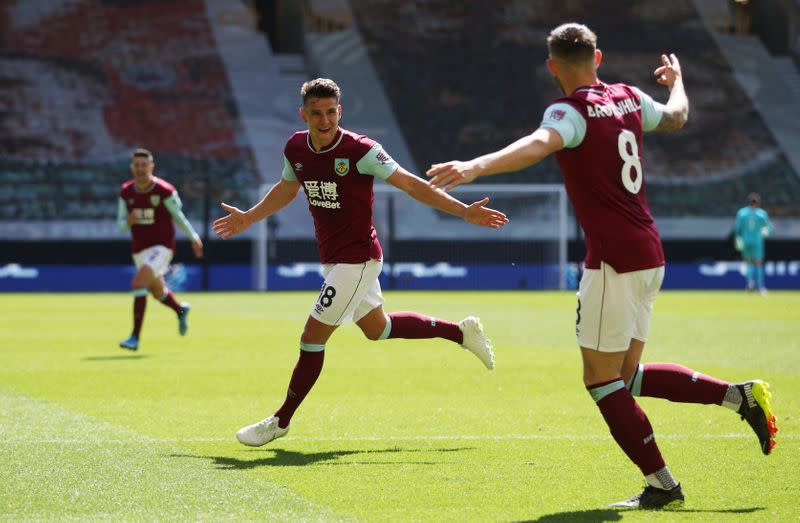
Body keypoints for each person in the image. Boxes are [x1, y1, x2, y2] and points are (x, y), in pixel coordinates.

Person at [427, 23, 777, 510]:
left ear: (553, 67)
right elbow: (677, 117)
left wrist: (475, 166)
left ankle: (663, 485)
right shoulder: (631, 97)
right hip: (650, 252)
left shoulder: (569, 111)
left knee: (601, 380)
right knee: (627, 377)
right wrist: (676, 79)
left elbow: (539, 142)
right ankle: (741, 398)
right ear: (599, 58)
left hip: (613, 261)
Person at [213, 78, 508, 447]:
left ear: (341, 111)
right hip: (334, 259)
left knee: (311, 338)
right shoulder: (295, 147)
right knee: (377, 329)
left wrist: (463, 211)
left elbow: (413, 185)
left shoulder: (363, 150)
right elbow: (288, 188)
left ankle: (280, 420)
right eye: (316, 113)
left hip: (358, 259)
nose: (324, 120)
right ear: (303, 115)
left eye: (331, 112)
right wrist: (249, 217)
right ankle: (461, 332)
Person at [117, 149, 204, 350]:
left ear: (151, 167)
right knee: (157, 291)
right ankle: (181, 310)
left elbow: (178, 216)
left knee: (138, 283)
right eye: (136, 165)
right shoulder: (126, 192)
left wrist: (194, 237)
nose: (140, 169)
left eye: (144, 165)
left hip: (162, 248)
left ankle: (134, 338)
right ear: (132, 167)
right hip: (139, 250)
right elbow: (120, 224)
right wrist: (127, 222)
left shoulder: (164, 191)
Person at [734, 192, 773, 293]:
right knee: (758, 263)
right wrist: (766, 232)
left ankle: (750, 283)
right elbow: (769, 228)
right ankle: (760, 287)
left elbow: (737, 229)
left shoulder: (742, 213)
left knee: (749, 262)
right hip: (757, 240)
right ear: (758, 202)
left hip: (746, 240)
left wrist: (738, 239)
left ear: (748, 202)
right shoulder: (761, 214)